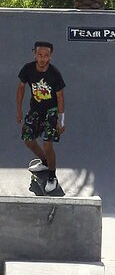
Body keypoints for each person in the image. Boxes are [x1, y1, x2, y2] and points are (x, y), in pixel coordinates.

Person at [16, 40, 65, 193]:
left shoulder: (55, 74)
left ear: (50, 56)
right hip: (35, 110)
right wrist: (19, 110)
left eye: (46, 56)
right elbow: (21, 89)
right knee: (28, 141)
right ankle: (45, 161)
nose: (42, 59)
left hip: (51, 111)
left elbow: (60, 97)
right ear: (34, 54)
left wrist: (61, 120)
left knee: (47, 144)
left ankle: (52, 176)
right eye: (39, 55)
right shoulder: (28, 69)